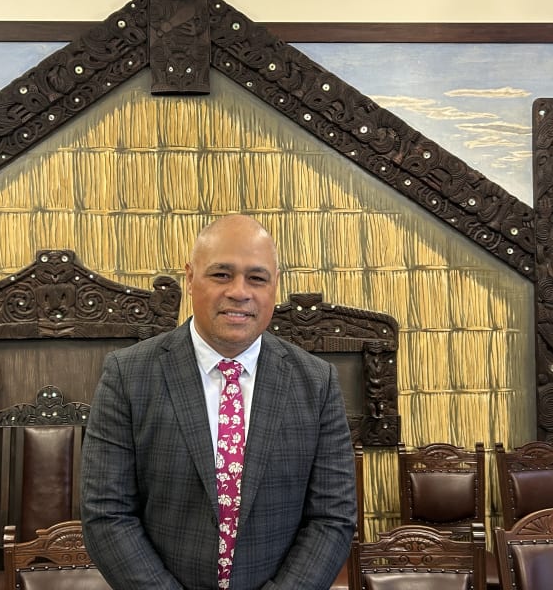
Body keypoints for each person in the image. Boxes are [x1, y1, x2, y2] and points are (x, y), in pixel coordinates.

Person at [81, 214, 357, 589]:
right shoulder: (128, 376)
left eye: (257, 278)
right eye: (222, 275)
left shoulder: (316, 382)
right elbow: (107, 514)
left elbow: (332, 517)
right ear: (190, 277)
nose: (239, 292)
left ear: (275, 285)